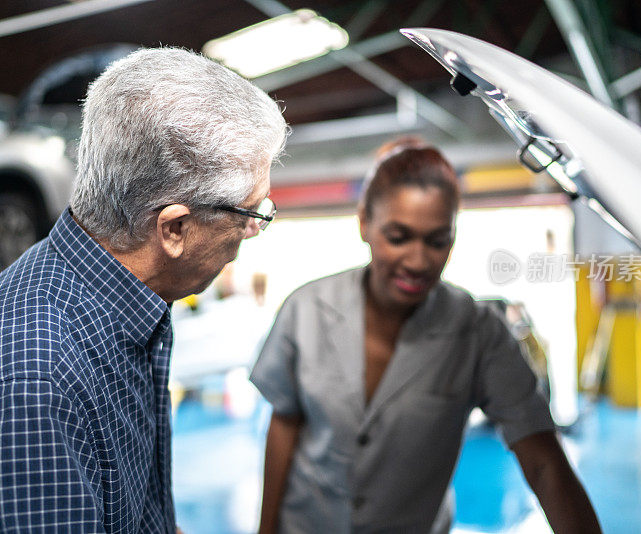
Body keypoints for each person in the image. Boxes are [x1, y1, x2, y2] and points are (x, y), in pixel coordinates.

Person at [0, 47, 287, 532]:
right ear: (174, 230)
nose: (253, 232)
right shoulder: (32, 383)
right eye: (253, 214)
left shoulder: (121, 309)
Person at [250, 139, 601, 534]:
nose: (418, 261)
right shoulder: (306, 310)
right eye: (399, 237)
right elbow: (285, 424)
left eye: (437, 241)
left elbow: (544, 461)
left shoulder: (478, 333)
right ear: (364, 222)